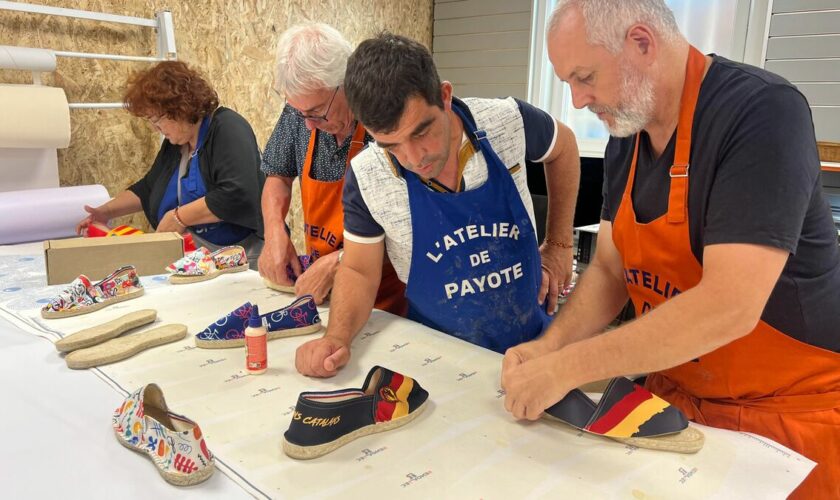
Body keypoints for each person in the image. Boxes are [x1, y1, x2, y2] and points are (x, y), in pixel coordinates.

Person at [501, 1, 840, 497]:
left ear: (641, 43)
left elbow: (729, 307)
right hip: (677, 403)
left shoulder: (762, 113)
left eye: (584, 76)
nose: (576, 101)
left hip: (786, 416)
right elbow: (611, 270)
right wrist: (550, 347)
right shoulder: (627, 136)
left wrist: (568, 368)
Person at [295, 33, 581, 377]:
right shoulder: (368, 176)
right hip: (439, 361)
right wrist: (336, 337)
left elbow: (563, 146)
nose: (414, 158)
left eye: (421, 132)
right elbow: (358, 270)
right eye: (391, 145)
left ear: (444, 96)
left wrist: (560, 244)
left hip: (535, 345)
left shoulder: (507, 121)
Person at [259, 23, 406, 313]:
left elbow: (410, 225)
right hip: (325, 295)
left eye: (316, 113)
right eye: (300, 113)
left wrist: (342, 261)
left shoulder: (386, 119)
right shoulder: (300, 111)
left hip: (386, 299)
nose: (307, 123)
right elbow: (278, 174)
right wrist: (274, 230)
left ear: (347, 83)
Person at [76, 61, 264, 262]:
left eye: (156, 120)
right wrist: (105, 211)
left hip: (243, 255)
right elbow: (148, 188)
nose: (156, 129)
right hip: (200, 256)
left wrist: (179, 217)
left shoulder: (227, 127)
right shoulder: (176, 145)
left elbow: (236, 195)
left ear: (179, 109)